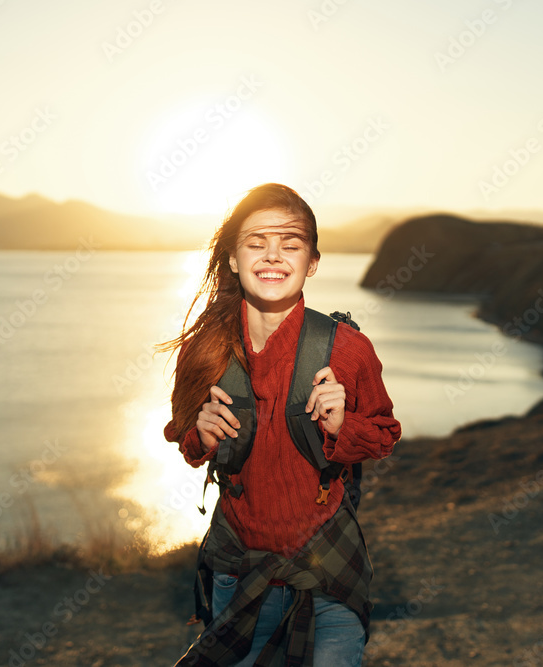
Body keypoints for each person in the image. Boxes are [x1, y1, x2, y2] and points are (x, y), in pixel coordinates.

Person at [159, 183, 401, 666]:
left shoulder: (348, 349)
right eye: (256, 243)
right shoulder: (205, 351)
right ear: (232, 258)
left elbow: (383, 434)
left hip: (329, 563)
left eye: (290, 244)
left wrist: (341, 425)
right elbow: (183, 437)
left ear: (312, 261)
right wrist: (201, 434)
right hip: (238, 567)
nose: (273, 256)